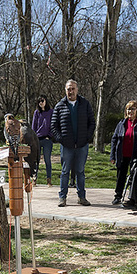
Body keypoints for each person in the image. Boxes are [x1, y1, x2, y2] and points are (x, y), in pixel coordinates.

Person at [50, 79, 95, 207]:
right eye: (68, 89)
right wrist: (61, 139)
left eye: (73, 88)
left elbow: (92, 122)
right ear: (65, 90)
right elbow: (54, 126)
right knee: (65, 172)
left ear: (77, 89)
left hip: (82, 145)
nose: (71, 91)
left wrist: (87, 137)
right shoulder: (60, 106)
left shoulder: (85, 104)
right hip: (67, 146)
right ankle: (62, 198)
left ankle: (82, 197)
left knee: (80, 171)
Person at [109, 100, 137, 205]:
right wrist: (112, 156)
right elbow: (114, 139)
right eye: (128, 109)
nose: (130, 111)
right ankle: (118, 196)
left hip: (136, 155)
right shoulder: (121, 123)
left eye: (133, 109)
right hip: (122, 154)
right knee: (120, 176)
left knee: (134, 176)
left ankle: (133, 197)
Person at [31, 96, 54, 185]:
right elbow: (34, 126)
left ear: (46, 101)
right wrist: (34, 137)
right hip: (37, 139)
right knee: (36, 160)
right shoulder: (37, 112)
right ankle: (34, 179)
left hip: (47, 139)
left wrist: (50, 135)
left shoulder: (51, 112)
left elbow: (53, 125)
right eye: (39, 101)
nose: (41, 103)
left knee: (47, 159)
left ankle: (49, 179)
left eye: (42, 101)